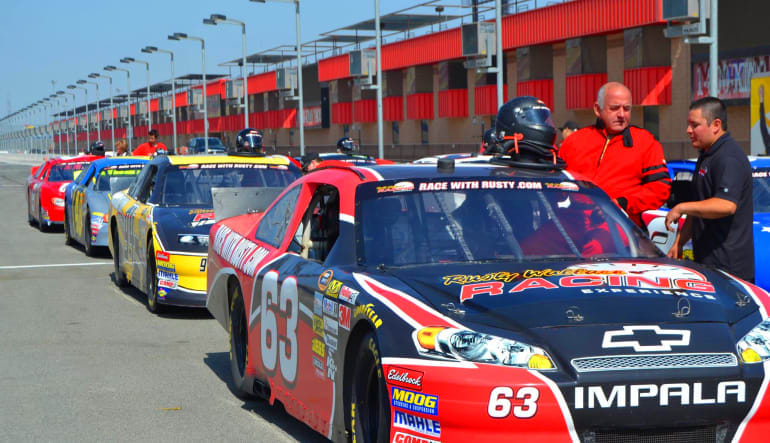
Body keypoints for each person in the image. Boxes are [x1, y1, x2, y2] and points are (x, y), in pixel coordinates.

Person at [665, 97, 754, 282]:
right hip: (708, 263)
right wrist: (680, 242)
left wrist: (681, 207)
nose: (688, 130)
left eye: (695, 125)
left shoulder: (728, 157)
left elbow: (726, 205)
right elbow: (700, 206)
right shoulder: (707, 154)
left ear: (716, 125)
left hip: (729, 269)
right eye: (688, 124)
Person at [559, 82, 670, 227]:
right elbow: (554, 181)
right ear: (598, 109)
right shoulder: (574, 141)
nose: (621, 115)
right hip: (573, 223)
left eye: (627, 108)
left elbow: (660, 188)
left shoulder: (645, 142)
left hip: (620, 226)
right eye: (614, 108)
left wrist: (623, 203)